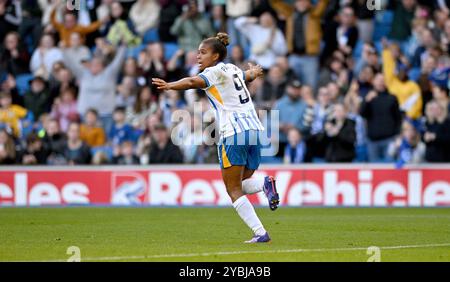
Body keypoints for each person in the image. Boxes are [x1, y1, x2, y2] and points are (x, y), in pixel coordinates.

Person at [152, 32, 279, 243]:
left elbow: (194, 81)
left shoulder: (212, 72)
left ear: (215, 56)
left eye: (203, 52)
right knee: (241, 182)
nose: (198, 56)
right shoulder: (233, 69)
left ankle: (261, 232)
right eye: (198, 52)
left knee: (233, 189)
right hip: (255, 130)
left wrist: (170, 85)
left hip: (233, 132)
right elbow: (245, 77)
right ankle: (265, 185)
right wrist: (253, 72)